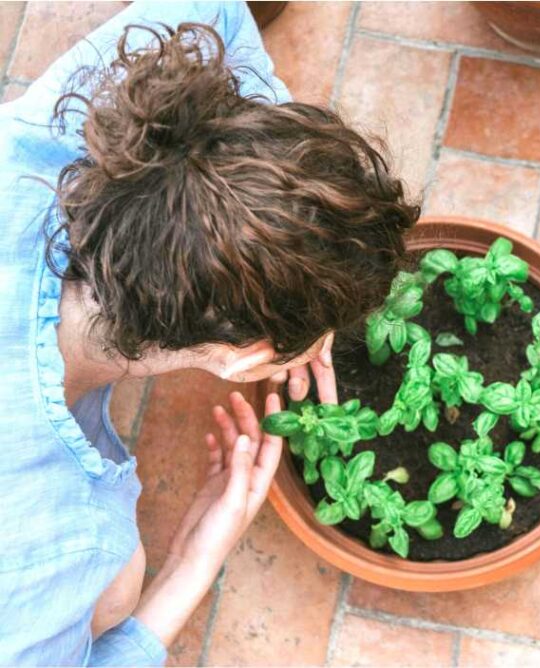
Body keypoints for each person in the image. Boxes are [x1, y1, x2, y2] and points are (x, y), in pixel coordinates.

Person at [0, 1, 418, 664]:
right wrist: (194, 561)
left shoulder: (44, 140)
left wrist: (273, 221)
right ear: (247, 357)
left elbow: (215, 13)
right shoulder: (52, 539)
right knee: (114, 590)